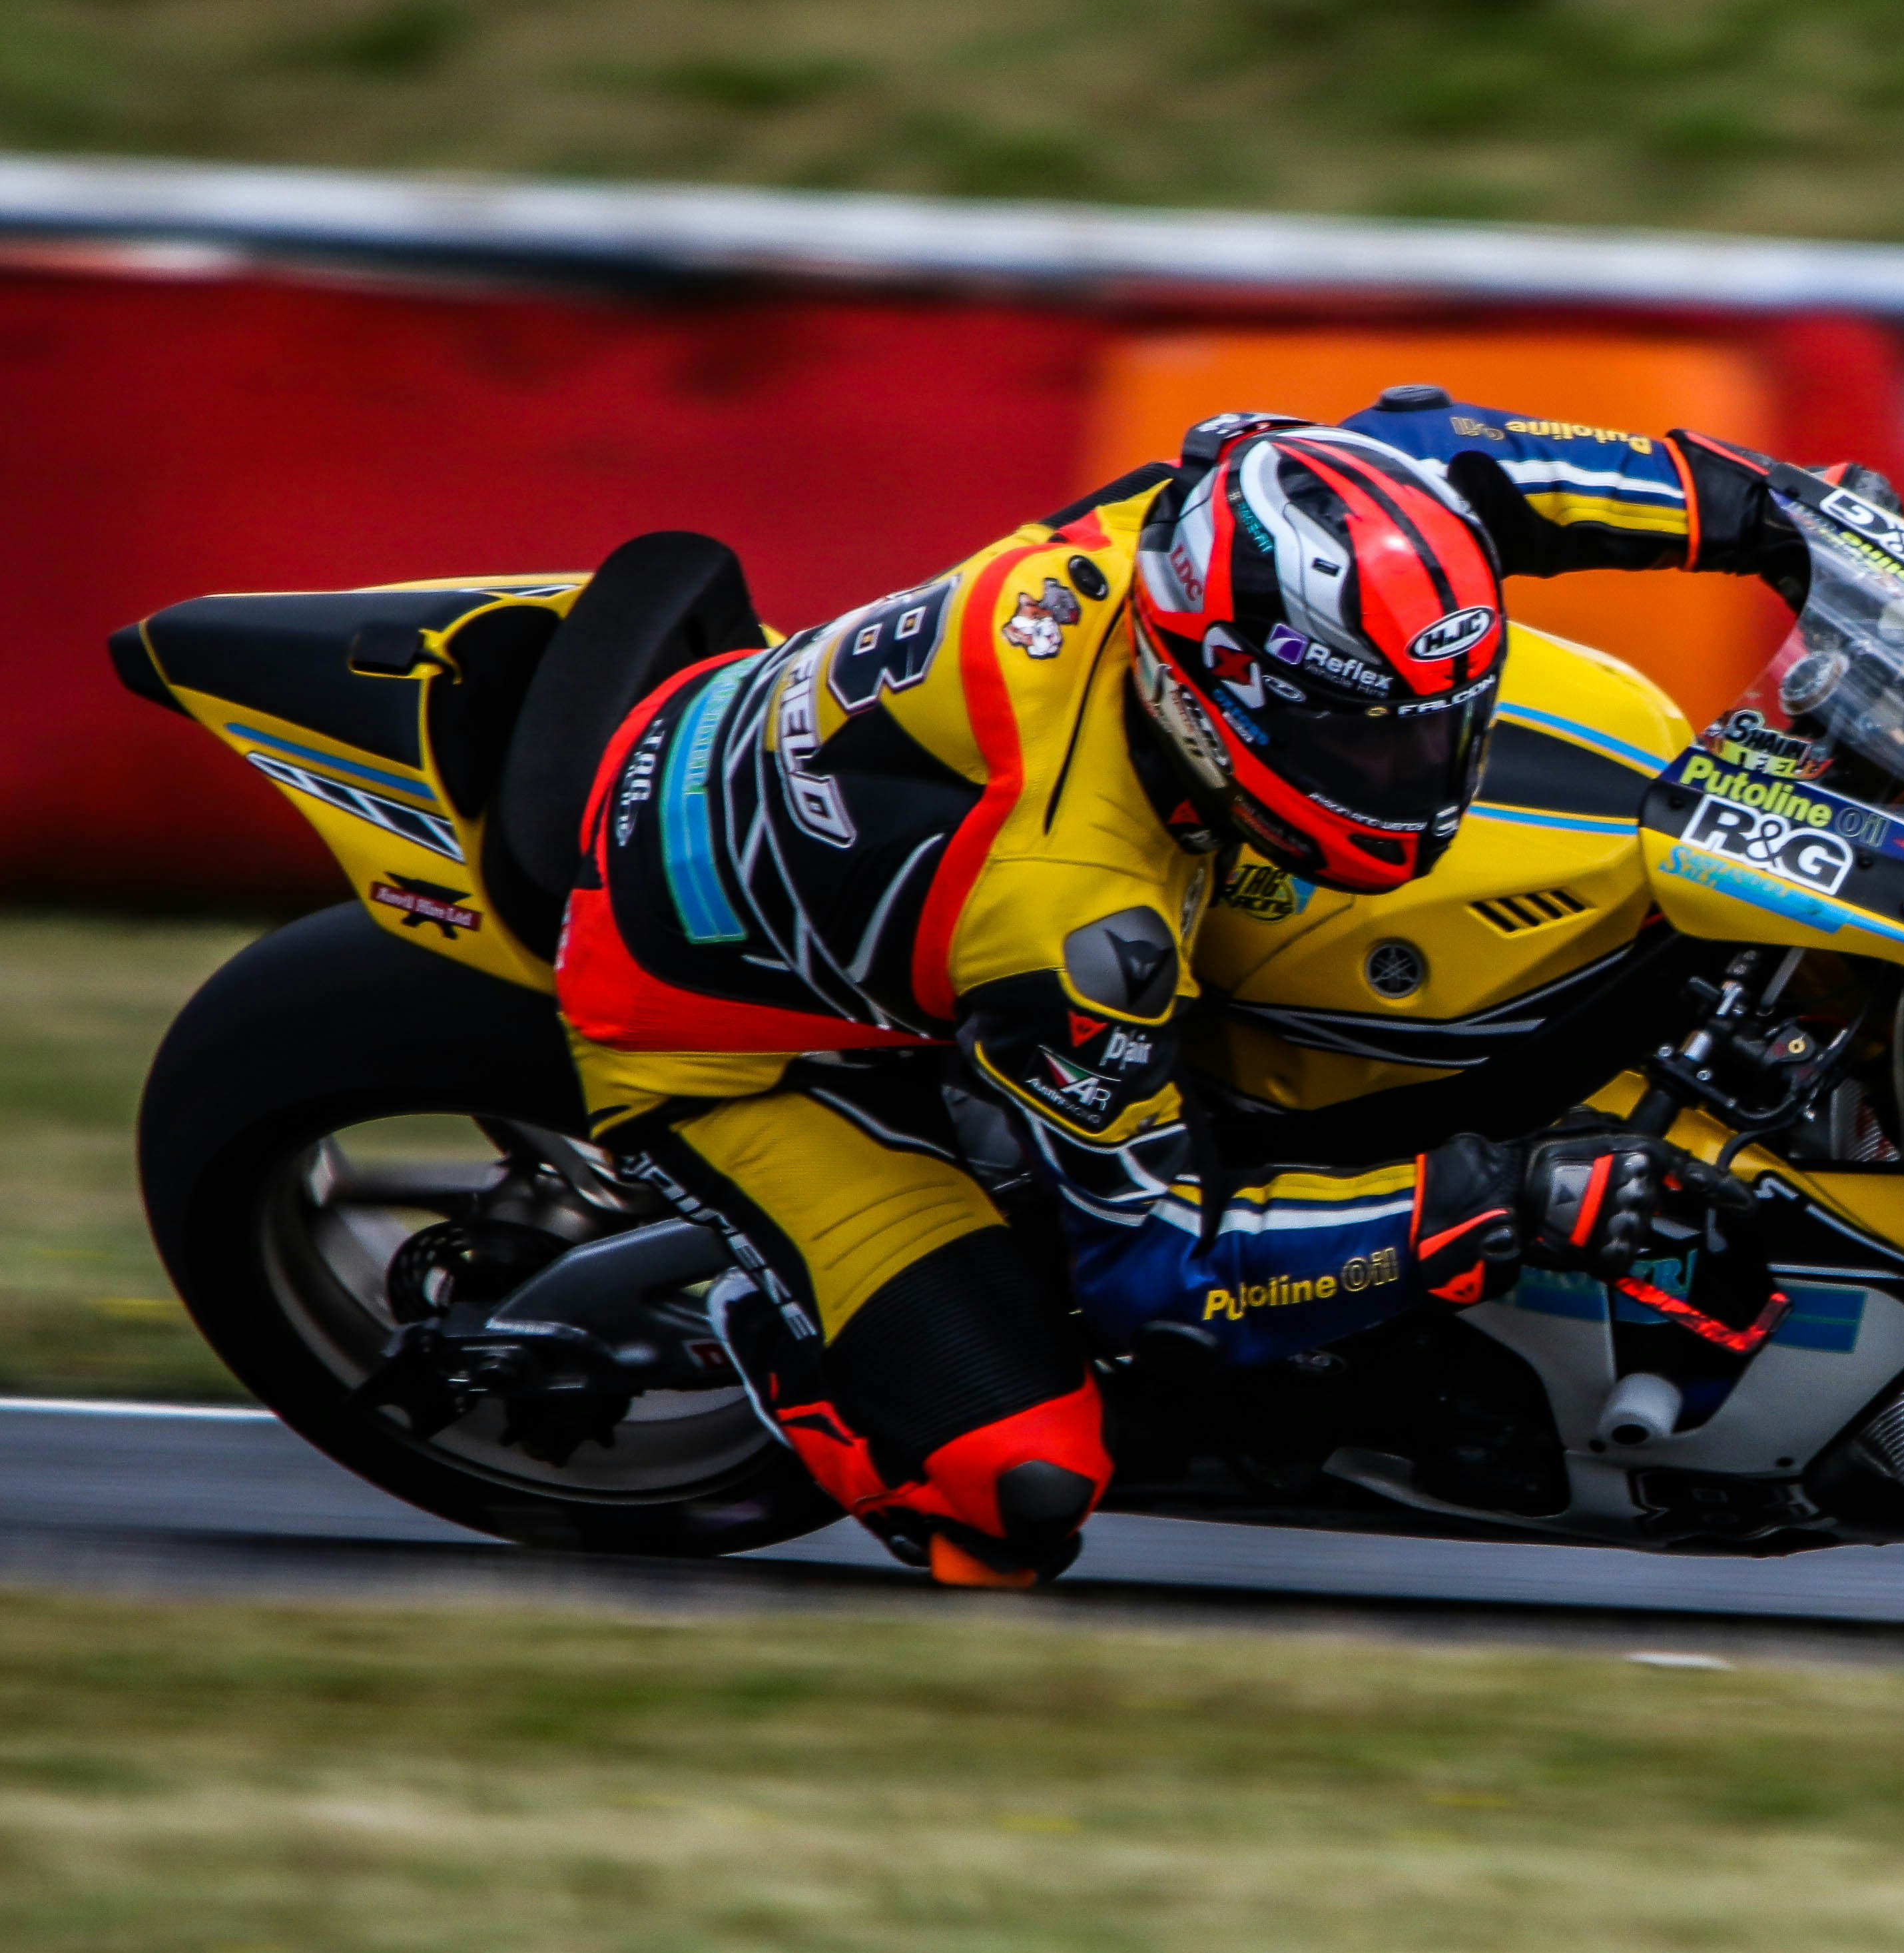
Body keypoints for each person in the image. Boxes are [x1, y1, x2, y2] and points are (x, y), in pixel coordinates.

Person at [555, 387, 1797, 1585]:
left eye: (1436, 725)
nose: (1423, 769)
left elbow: (1454, 452)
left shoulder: (1236, 514)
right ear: (1217, 702)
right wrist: (1500, 1201)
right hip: (727, 1034)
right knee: (1015, 1494)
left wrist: (1789, 516)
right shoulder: (1075, 919)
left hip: (898, 822)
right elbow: (1161, 1269)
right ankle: (792, 1341)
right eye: (1367, 741)